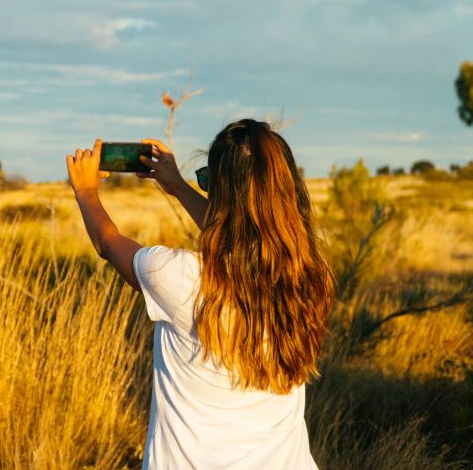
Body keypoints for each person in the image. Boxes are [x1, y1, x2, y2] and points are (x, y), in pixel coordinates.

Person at [65, 119, 334, 469]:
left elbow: (107, 244)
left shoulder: (181, 278)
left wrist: (85, 193)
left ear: (221, 196)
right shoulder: (309, 277)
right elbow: (246, 236)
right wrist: (176, 186)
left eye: (207, 182)